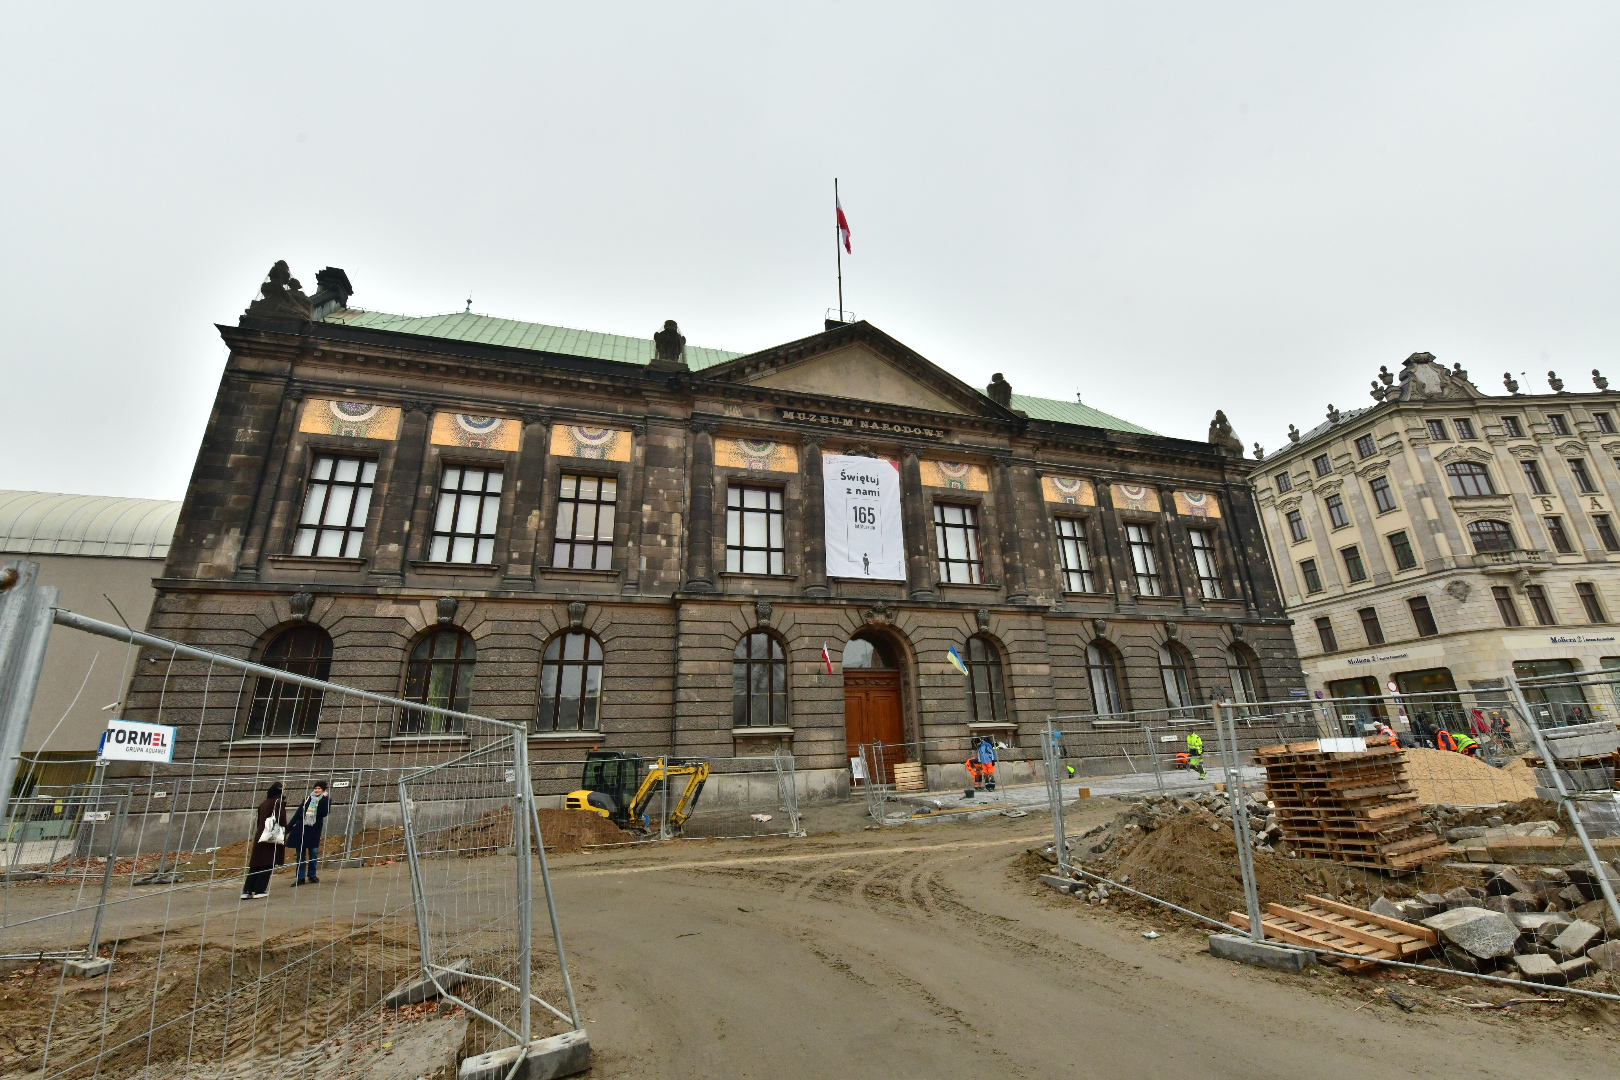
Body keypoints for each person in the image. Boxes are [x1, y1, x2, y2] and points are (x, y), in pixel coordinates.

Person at [243, 782, 287, 900]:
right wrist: (285, 830)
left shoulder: (263, 803)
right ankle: (259, 890)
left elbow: (259, 821)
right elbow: (281, 819)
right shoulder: (278, 802)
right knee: (267, 863)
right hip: (271, 836)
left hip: (260, 835)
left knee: (256, 864)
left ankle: (247, 890)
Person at [287, 780, 330, 887]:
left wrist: (323, 799)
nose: (317, 790)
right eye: (315, 788)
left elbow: (324, 813)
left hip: (314, 829)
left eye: (319, 788)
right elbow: (298, 814)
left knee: (314, 852)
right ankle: (300, 877)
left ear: (323, 790)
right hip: (301, 829)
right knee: (300, 854)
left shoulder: (325, 800)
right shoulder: (307, 799)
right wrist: (288, 828)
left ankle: (312, 875)